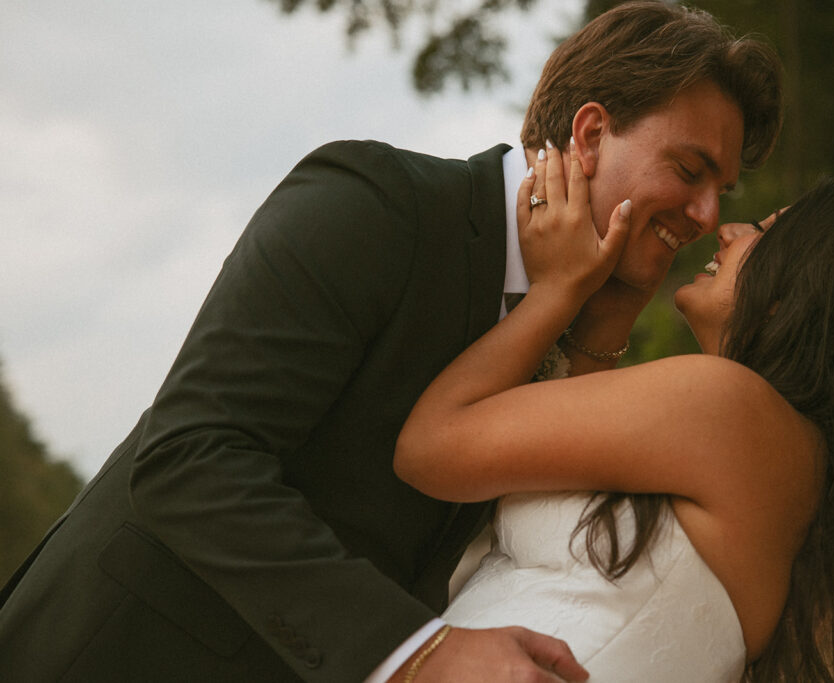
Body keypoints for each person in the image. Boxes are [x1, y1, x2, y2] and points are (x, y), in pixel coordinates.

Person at [0, 2, 783, 681]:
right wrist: (416, 652)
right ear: (590, 133)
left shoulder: (578, 316)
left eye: (723, 190)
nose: (707, 214)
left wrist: (599, 312)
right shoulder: (376, 204)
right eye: (689, 169)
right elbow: (188, 458)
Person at [395, 146, 834, 681]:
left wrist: (557, 291)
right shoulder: (793, 463)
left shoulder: (731, 410)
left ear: (803, 293)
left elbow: (429, 448)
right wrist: (616, 294)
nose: (728, 229)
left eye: (765, 234)